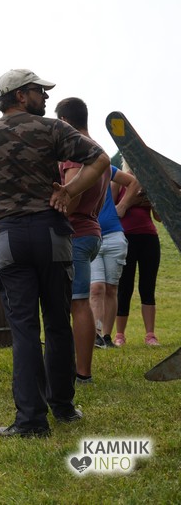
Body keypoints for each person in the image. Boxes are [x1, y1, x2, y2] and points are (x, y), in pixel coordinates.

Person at [0, 69, 109, 437]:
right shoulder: (52, 129)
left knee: (24, 331)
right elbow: (100, 159)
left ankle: (30, 421)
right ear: (20, 95)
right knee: (58, 323)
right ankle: (64, 408)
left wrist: (5, 208)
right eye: (38, 91)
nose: (45, 96)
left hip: (9, 239)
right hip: (52, 235)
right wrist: (69, 191)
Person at [54, 98, 110, 384]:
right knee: (79, 302)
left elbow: (71, 199)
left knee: (78, 304)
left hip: (75, 233)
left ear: (64, 121)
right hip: (91, 231)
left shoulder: (75, 153)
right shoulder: (98, 151)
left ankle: (82, 374)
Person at [89, 165, 138, 349]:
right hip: (90, 237)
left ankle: (106, 337)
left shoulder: (104, 167)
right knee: (96, 288)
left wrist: (123, 206)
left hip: (113, 235)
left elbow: (133, 182)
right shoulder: (71, 169)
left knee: (111, 288)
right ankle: (95, 335)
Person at [115, 160, 162, 346]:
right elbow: (112, 209)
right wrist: (133, 200)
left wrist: (153, 198)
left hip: (149, 238)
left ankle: (150, 335)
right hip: (125, 237)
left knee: (147, 286)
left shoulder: (148, 181)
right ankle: (120, 335)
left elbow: (158, 217)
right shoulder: (119, 181)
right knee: (124, 287)